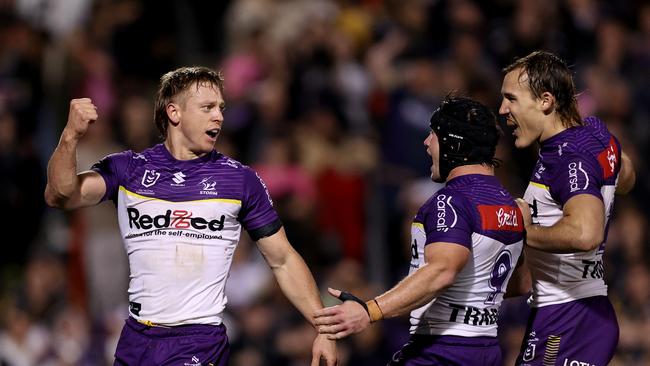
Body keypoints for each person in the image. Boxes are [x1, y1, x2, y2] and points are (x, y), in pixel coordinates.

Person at [44, 66, 337, 366]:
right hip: (136, 339)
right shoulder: (129, 170)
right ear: (175, 113)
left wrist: (323, 329)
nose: (219, 116)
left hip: (199, 341)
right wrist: (70, 136)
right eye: (208, 107)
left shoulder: (239, 180)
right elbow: (59, 195)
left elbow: (283, 259)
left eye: (221, 108)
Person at [314, 96, 525, 365]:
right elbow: (522, 282)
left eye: (433, 135)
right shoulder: (514, 208)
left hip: (441, 350)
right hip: (487, 351)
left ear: (454, 143)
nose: (426, 143)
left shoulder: (451, 201)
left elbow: (442, 270)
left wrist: (369, 311)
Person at [498, 50, 636, 366]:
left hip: (568, 319)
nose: (503, 109)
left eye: (511, 99)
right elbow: (626, 176)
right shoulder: (594, 133)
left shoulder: (567, 157)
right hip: (577, 313)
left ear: (545, 100)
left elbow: (587, 232)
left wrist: (523, 231)